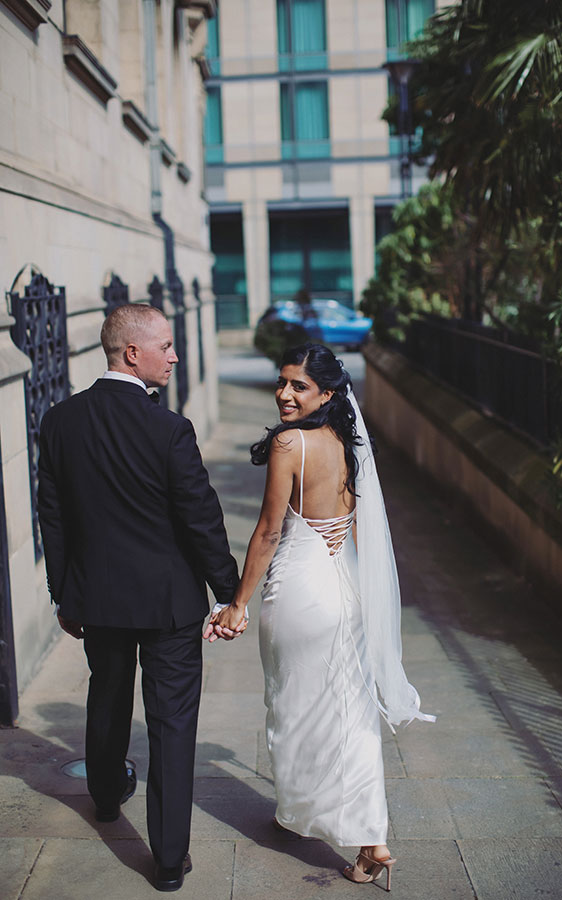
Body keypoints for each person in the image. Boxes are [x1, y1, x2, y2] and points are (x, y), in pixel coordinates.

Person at [204, 343, 434, 891]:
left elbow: (268, 532)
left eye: (298, 386)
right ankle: (367, 839)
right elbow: (356, 529)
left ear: (327, 393)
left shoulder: (291, 444)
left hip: (299, 593)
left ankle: (308, 810)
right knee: (350, 715)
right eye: (282, 383)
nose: (284, 394)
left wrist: (237, 604)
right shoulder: (349, 443)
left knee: (293, 706)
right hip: (343, 592)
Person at [38, 303, 239, 893]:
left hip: (97, 600)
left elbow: (53, 517)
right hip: (169, 605)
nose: (175, 356)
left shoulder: (60, 421)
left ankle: (104, 798)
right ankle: (169, 859)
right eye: (167, 346)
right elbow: (201, 518)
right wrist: (228, 592)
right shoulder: (169, 428)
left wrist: (64, 596)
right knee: (173, 725)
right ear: (133, 353)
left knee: (106, 695)